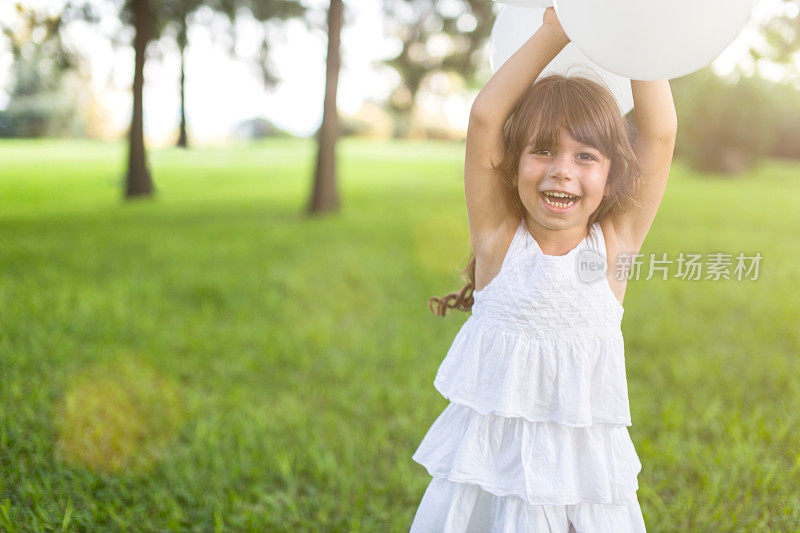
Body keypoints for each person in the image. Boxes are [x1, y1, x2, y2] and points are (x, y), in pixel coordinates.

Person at [410, 7, 677, 532]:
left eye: (586, 156)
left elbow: (661, 133)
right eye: (544, 150)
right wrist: (556, 28)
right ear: (513, 162)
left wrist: (637, 34)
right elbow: (487, 116)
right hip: (493, 471)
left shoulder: (614, 246)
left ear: (612, 173)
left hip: (583, 479)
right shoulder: (498, 240)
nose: (562, 170)